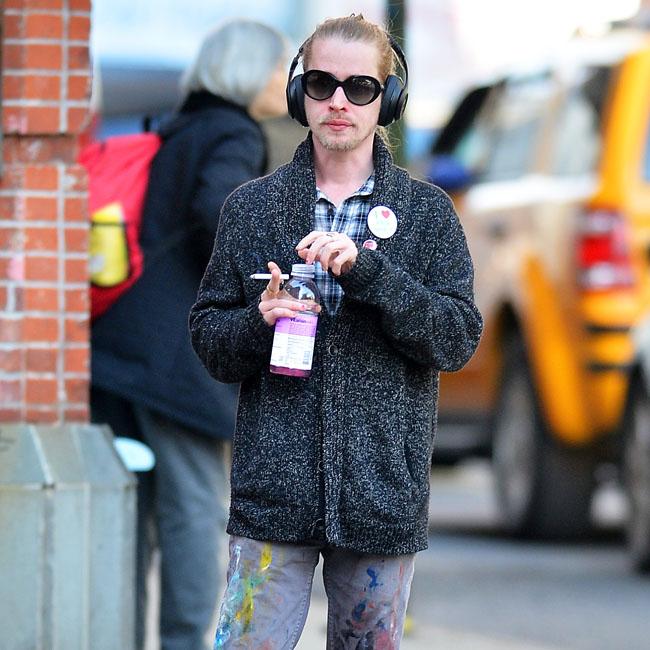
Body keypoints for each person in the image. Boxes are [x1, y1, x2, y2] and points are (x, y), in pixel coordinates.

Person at [189, 14, 483, 649]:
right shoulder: (253, 208)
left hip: (380, 491)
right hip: (274, 492)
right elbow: (210, 340)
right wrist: (257, 322)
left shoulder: (427, 215)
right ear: (301, 94)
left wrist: (371, 274)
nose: (340, 102)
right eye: (323, 84)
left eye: (361, 87)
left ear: (388, 99)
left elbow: (457, 338)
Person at [90, 19, 289, 650]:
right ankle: (182, 643)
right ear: (245, 71)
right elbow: (215, 212)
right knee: (194, 510)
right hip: (175, 363)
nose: (283, 81)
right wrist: (262, 284)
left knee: (131, 513)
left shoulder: (177, 127)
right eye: (276, 66)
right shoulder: (233, 132)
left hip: (117, 349)